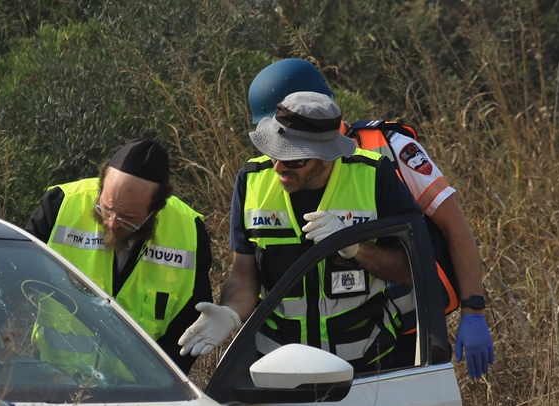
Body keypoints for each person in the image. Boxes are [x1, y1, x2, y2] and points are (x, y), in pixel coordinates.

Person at [244, 59, 495, 379]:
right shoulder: (280, 171)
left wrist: (473, 310)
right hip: (316, 345)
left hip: (401, 334)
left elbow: (455, 227)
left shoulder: (391, 149)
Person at [178, 92, 421, 371]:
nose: (279, 167)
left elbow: (412, 269)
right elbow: (243, 275)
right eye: (274, 154)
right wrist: (230, 313)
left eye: (294, 160)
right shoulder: (251, 181)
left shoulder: (374, 175)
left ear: (326, 156)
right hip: (278, 365)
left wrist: (356, 246)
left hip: (368, 362)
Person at [25, 138, 212, 372]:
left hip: (140, 393)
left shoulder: (189, 232)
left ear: (156, 210)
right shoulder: (60, 206)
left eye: (128, 218)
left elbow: (186, 327)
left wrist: (159, 383)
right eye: (106, 208)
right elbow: (11, 280)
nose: (112, 223)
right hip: (53, 380)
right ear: (101, 185)